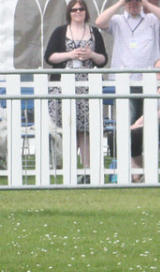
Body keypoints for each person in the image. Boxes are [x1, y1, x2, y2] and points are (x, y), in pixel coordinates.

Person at [43, 0, 108, 181]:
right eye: (74, 10)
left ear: (86, 12)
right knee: (67, 127)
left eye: (81, 9)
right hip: (63, 86)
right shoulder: (60, 32)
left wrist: (91, 55)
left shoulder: (95, 32)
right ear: (69, 13)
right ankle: (70, 168)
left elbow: (103, 60)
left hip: (88, 87)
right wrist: (70, 55)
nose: (78, 12)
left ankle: (87, 171)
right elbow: (50, 57)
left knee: (85, 130)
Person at [93, 0, 160, 123]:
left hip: (149, 81)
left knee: (148, 122)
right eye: (129, 2)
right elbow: (99, 22)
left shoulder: (152, 19)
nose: (133, 4)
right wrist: (120, 3)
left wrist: (146, 3)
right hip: (124, 81)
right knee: (126, 121)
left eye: (136, 2)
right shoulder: (117, 20)